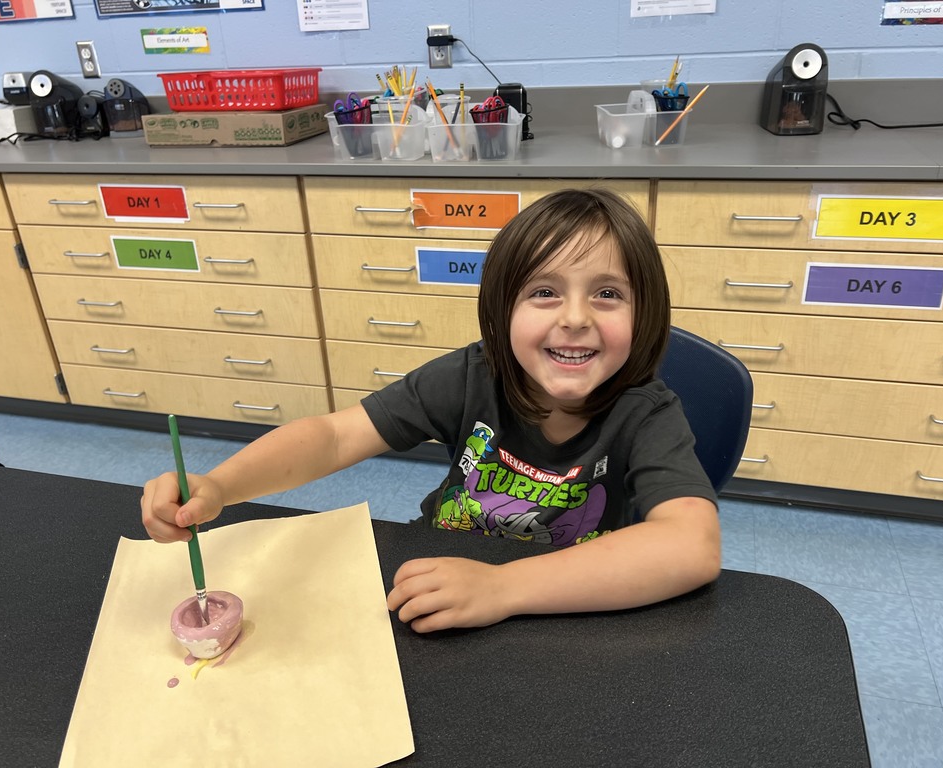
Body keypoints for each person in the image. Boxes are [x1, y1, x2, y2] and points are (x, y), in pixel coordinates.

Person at [141, 187, 720, 633]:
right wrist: (218, 485)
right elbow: (335, 437)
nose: (574, 317)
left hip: (573, 600)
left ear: (645, 316)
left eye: (608, 293)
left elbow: (690, 546)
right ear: (501, 310)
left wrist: (503, 588)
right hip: (439, 569)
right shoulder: (474, 376)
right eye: (544, 292)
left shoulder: (647, 412)